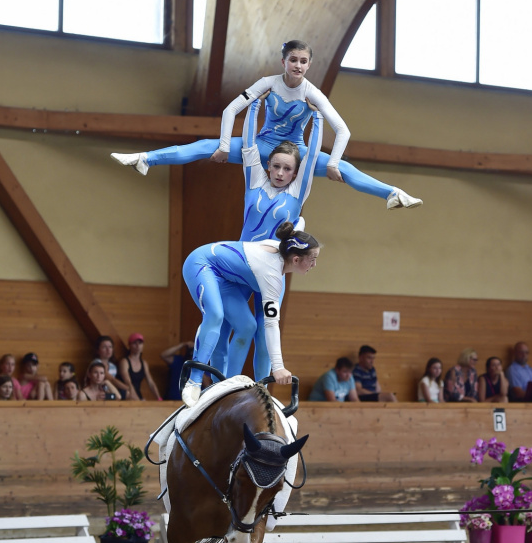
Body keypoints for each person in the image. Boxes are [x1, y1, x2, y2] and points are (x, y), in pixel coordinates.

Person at [111, 39, 422, 211]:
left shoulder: (312, 92)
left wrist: (334, 163)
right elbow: (231, 109)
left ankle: (392, 194)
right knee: (203, 147)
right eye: (293, 60)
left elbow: (343, 130)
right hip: (261, 148)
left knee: (349, 170)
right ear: (283, 62)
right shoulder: (268, 83)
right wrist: (222, 145)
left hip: (296, 154)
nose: (298, 65)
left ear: (308, 65)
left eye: (303, 61)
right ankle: (145, 159)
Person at [210, 95, 323, 381]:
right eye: (276, 167)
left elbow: (311, 157)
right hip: (242, 263)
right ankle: (222, 385)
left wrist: (318, 117)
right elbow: (248, 143)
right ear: (268, 166)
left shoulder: (297, 193)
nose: (281, 173)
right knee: (227, 325)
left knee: (264, 332)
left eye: (288, 169)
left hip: (272, 269)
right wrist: (255, 106)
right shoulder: (255, 182)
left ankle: (260, 389)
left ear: (296, 173)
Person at [181, 221, 321, 406]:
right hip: (201, 264)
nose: (315, 264)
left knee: (248, 326)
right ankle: (194, 379)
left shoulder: (285, 247)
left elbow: (299, 224)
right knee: (215, 315)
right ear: (296, 259)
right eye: (312, 259)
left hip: (223, 278)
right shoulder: (272, 274)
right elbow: (271, 325)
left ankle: (227, 385)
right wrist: (278, 367)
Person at [117, 333, 162, 402]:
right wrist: (139, 401)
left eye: (140, 343)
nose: (138, 346)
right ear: (129, 346)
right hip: (126, 394)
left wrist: (159, 398)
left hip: (137, 395)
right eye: (134, 343)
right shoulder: (124, 362)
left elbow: (151, 383)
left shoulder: (144, 363)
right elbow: (128, 383)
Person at [95, 335, 135, 400]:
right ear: (98, 350)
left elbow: (111, 384)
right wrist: (127, 388)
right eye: (104, 347)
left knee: (122, 395)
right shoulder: (96, 363)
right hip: (96, 393)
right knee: (122, 395)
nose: (108, 350)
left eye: (110, 347)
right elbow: (111, 379)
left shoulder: (113, 367)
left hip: (107, 392)